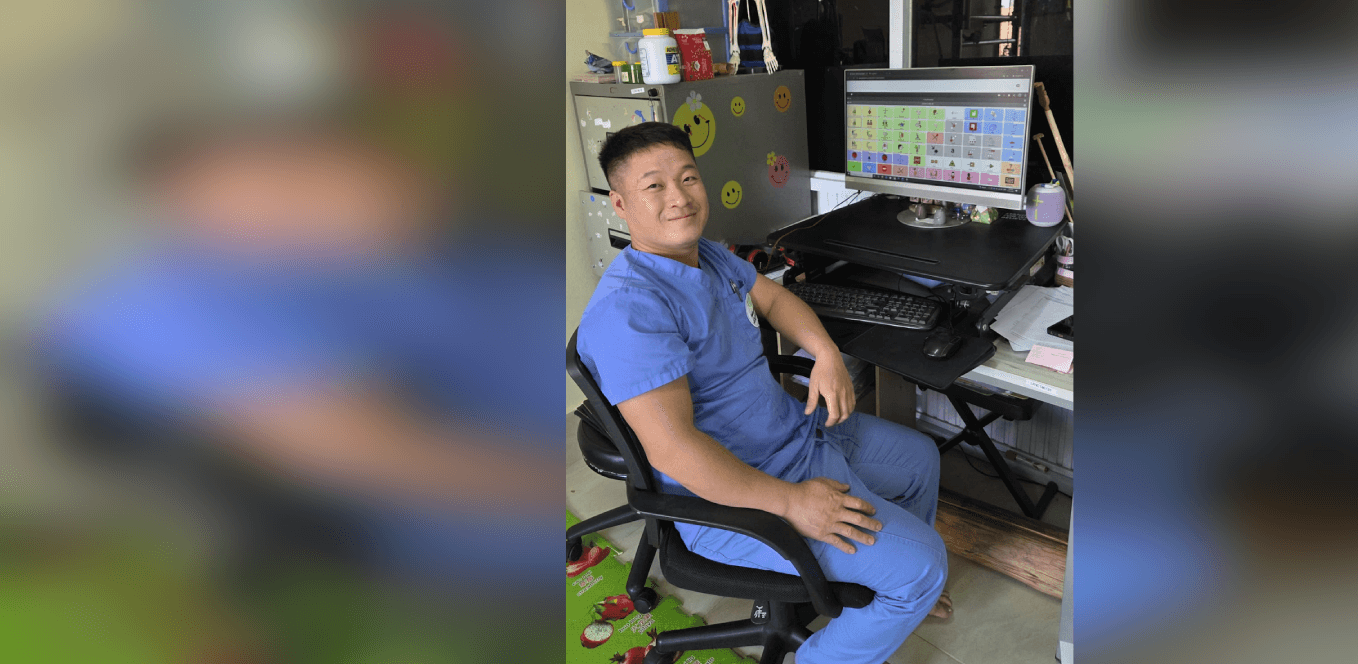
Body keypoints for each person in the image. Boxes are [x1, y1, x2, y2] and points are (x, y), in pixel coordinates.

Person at [39, 119, 563, 596]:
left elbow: (409, 196)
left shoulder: (353, 250)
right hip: (538, 501)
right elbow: (380, 456)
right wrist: (575, 487)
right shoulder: (158, 306)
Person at [576, 122, 950, 664]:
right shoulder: (630, 312)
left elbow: (774, 300)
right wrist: (792, 503)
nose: (679, 197)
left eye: (688, 178)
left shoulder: (705, 256)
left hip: (794, 434)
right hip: (732, 494)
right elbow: (674, 450)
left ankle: (889, 591)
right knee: (926, 565)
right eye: (654, 186)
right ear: (620, 203)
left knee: (919, 460)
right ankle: (896, 591)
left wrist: (824, 353)